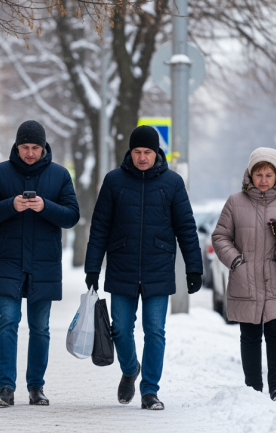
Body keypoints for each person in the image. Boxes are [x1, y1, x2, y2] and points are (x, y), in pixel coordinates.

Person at [84, 125, 202, 410]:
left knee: (155, 330)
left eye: (147, 152)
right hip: (122, 266)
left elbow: (186, 227)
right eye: (137, 152)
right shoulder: (114, 181)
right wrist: (92, 268)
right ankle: (129, 369)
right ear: (130, 152)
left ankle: (150, 391)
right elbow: (100, 226)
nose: (142, 157)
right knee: (121, 329)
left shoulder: (172, 183)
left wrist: (194, 267)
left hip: (158, 268)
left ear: (156, 152)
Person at [0, 120, 80, 407]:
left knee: (40, 327)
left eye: (35, 147)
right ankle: (6, 388)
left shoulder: (59, 175)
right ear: (17, 146)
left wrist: (45, 206)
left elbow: (72, 216)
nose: (30, 153)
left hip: (44, 263)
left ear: (44, 146)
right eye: (25, 147)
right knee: (8, 322)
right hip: (8, 261)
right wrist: (11, 205)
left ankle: (36, 387)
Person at [211, 147, 276, 405]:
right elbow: (220, 236)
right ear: (250, 173)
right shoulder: (235, 202)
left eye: (269, 174)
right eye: (259, 173)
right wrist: (236, 260)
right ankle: (253, 389)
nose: (264, 179)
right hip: (245, 279)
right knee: (250, 336)